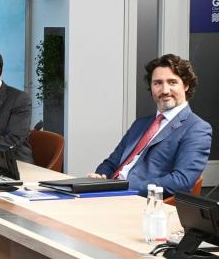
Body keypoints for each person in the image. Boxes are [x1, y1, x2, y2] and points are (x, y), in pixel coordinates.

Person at [90, 54, 212, 196]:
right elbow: (111, 163)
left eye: (172, 82)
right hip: (108, 194)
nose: (165, 90)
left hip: (140, 202)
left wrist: (122, 187)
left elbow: (181, 181)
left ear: (186, 85)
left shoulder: (197, 128)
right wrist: (101, 178)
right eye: (157, 83)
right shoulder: (141, 123)